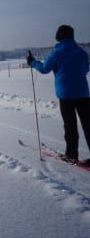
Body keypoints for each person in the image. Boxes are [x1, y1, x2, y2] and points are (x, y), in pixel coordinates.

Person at [27, 25, 90, 165]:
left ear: (59, 37)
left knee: (70, 126)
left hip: (66, 94)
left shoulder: (57, 53)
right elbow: (86, 68)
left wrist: (32, 62)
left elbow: (44, 69)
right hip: (83, 93)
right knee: (88, 124)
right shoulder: (82, 52)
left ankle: (71, 155)